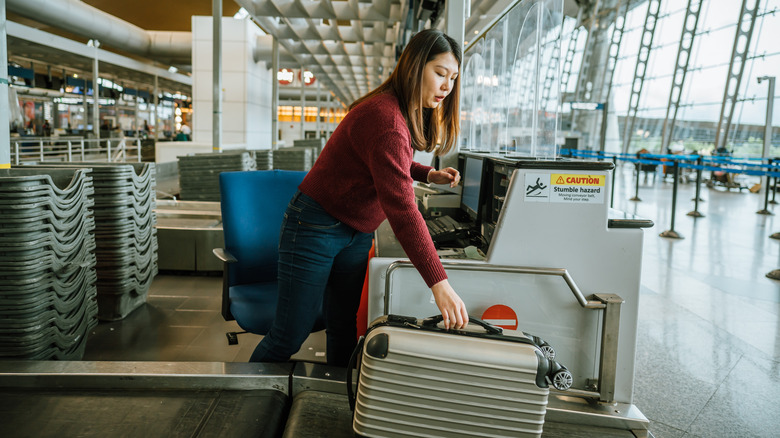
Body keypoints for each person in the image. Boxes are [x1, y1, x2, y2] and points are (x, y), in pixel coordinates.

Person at [250, 29, 469, 366]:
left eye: (453, 78)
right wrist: (439, 283)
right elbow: (402, 209)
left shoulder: (400, 113)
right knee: (290, 334)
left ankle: (335, 401)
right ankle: (241, 402)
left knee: (343, 327)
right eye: (440, 73)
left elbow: (391, 160)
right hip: (315, 225)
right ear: (414, 67)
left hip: (356, 232)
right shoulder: (385, 117)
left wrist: (427, 173)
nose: (447, 86)